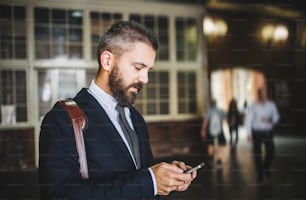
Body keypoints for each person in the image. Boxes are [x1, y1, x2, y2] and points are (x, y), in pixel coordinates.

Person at [39, 21, 197, 200]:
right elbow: (60, 195)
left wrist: (166, 180)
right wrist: (150, 181)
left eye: (148, 70)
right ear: (107, 61)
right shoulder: (61, 119)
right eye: (138, 67)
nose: (145, 79)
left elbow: (139, 178)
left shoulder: (135, 118)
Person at [245, 87, 279, 184]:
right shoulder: (254, 106)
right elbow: (249, 120)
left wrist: (272, 120)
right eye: (261, 93)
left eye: (264, 93)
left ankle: (266, 166)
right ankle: (260, 175)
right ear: (259, 94)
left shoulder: (271, 105)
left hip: (268, 132)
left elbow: (276, 116)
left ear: (266, 94)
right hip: (257, 132)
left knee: (271, 152)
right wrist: (249, 133)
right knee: (257, 154)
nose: (263, 95)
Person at [201, 99, 226, 169]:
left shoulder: (208, 111)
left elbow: (205, 122)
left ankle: (210, 159)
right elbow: (225, 117)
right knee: (220, 145)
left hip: (210, 130)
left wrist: (203, 130)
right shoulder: (220, 111)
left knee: (210, 144)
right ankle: (219, 160)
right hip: (220, 130)